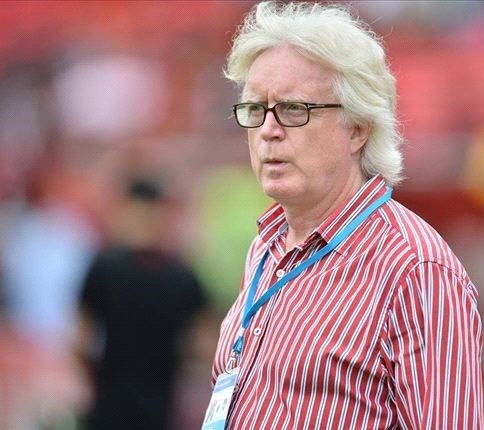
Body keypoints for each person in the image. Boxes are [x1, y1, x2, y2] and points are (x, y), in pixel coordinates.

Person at [205, 2, 483, 429]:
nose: (268, 130)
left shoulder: (416, 271)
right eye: (256, 109)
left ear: (358, 128)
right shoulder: (268, 244)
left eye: (294, 109)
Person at [75, 176, 206, 429]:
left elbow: (80, 341)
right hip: (160, 406)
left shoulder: (104, 267)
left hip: (110, 403)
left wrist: (94, 376)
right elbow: (201, 348)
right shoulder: (182, 275)